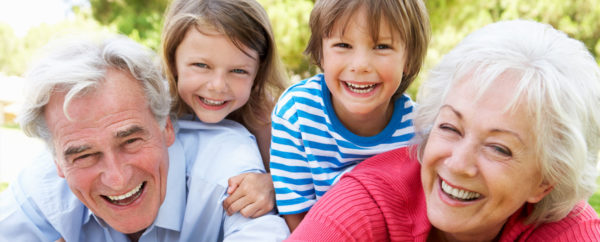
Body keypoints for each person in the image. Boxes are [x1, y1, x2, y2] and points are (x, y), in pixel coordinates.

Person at [288, 19, 600, 241]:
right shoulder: (364, 205)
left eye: (499, 148)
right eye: (450, 127)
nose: (457, 164)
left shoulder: (571, 230)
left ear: (545, 181)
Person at [0, 35, 289, 241]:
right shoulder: (42, 187)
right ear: (57, 162)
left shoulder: (226, 164)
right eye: (85, 155)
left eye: (130, 141)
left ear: (166, 127)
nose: (117, 178)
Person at [270, 0, 430, 230]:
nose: (361, 65)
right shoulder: (297, 113)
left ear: (408, 58)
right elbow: (296, 216)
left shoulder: (418, 131)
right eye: (343, 45)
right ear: (321, 53)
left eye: (382, 46)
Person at [161, 0, 287, 218]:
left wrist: (272, 184)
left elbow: (305, 178)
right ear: (172, 60)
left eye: (238, 70)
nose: (218, 86)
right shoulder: (153, 107)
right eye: (201, 65)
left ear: (258, 71)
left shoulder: (266, 116)